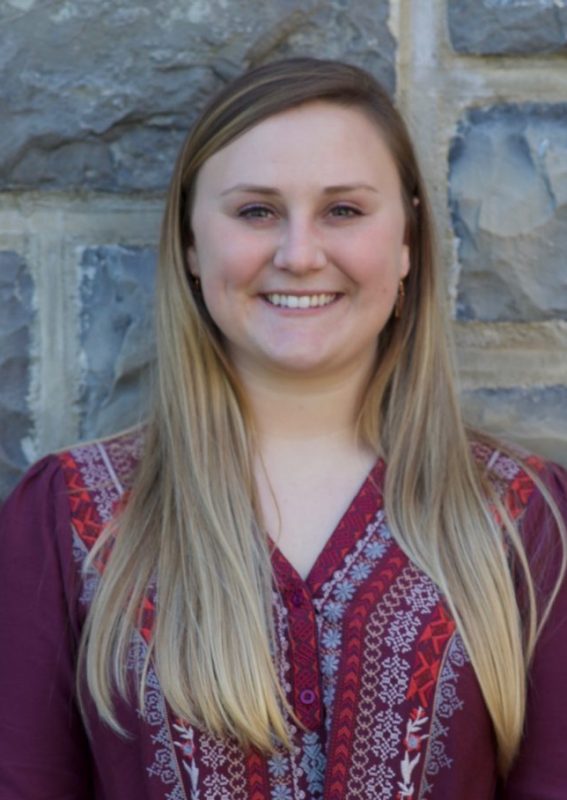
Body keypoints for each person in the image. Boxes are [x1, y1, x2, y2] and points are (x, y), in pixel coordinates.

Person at [0, 58, 566, 800]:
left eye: (343, 211)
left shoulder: (520, 519)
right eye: (256, 211)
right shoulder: (71, 518)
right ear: (193, 246)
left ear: (406, 245)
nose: (299, 255)